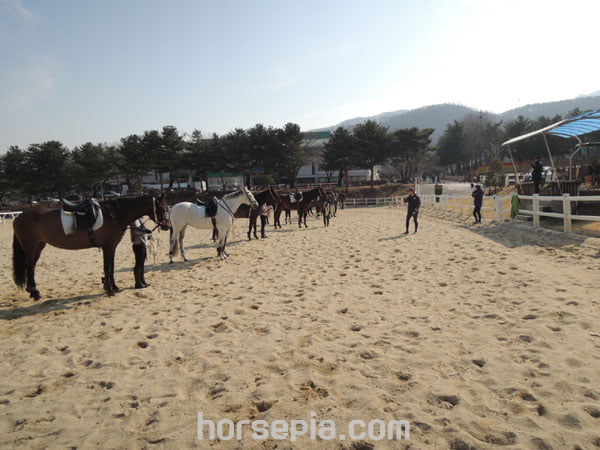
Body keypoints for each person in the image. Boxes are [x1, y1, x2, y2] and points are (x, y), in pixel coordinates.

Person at [130, 218, 152, 288]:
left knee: (142, 263)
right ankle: (138, 282)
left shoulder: (140, 219)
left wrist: (147, 235)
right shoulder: (135, 220)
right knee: (139, 264)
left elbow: (142, 229)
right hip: (138, 244)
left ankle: (142, 280)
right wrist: (145, 231)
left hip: (142, 243)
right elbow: (136, 231)